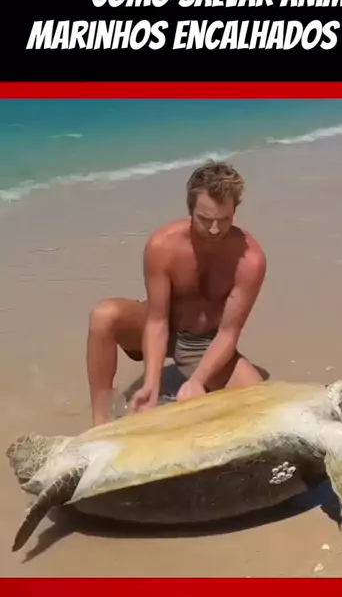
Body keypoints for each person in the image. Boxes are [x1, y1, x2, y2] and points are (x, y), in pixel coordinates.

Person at [86, 160, 267, 426]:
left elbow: (228, 332)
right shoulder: (163, 246)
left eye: (224, 220)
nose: (214, 229)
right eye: (205, 219)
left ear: (234, 211)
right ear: (190, 209)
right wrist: (151, 384)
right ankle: (99, 424)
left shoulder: (250, 261)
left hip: (204, 343)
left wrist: (197, 381)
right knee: (104, 316)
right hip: (162, 323)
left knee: (259, 403)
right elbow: (157, 320)